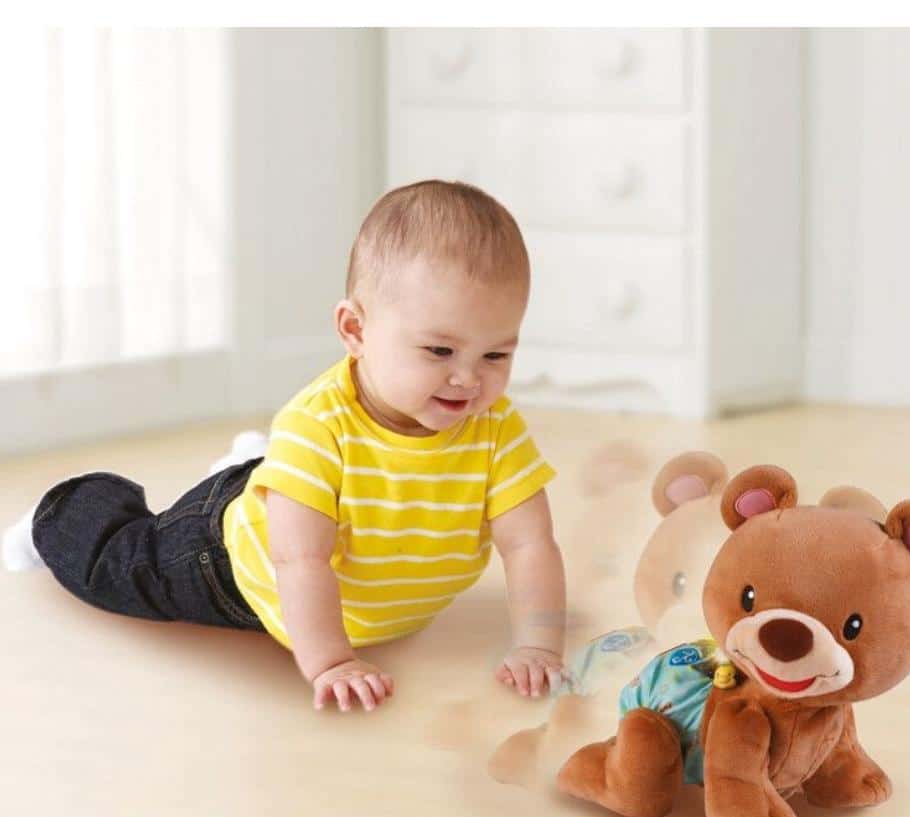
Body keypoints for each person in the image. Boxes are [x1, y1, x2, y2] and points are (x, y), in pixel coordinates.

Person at [3, 180, 567, 714]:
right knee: (124, 568)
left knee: (295, 483)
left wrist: (539, 646)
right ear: (355, 331)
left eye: (496, 355)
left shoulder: (495, 427)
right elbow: (300, 560)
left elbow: (530, 545)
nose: (468, 379)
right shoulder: (318, 425)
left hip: (299, 493)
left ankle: (255, 467)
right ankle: (63, 511)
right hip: (232, 569)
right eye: (440, 351)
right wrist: (332, 661)